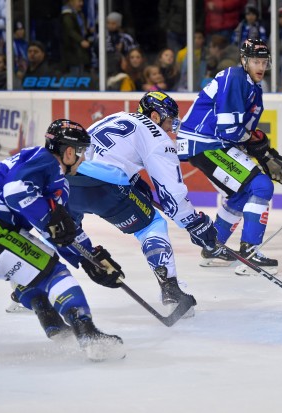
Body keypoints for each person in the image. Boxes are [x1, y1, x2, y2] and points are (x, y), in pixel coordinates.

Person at [66, 91, 216, 313]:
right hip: (106, 185)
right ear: (155, 116)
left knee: (62, 230)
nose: (169, 129)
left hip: (68, 180)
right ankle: (171, 291)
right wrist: (193, 223)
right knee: (152, 224)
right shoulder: (157, 135)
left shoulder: (117, 117)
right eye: (168, 121)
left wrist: (134, 180)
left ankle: (27, 286)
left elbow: (101, 153)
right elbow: (171, 193)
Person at [0, 119, 125, 361]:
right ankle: (87, 333)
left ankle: (53, 324)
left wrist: (91, 257)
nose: (83, 159)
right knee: (53, 272)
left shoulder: (40, 171)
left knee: (29, 266)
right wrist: (48, 219)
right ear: (69, 151)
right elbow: (15, 192)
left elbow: (66, 229)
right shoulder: (47, 161)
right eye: (81, 152)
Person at [176, 39, 282, 275]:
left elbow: (241, 136)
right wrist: (261, 154)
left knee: (241, 194)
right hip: (205, 142)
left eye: (263, 61)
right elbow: (229, 131)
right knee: (260, 186)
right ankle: (249, 252)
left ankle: (213, 247)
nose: (260, 66)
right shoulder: (235, 78)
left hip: (207, 143)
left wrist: (265, 153)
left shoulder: (254, 89)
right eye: (255, 61)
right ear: (243, 60)